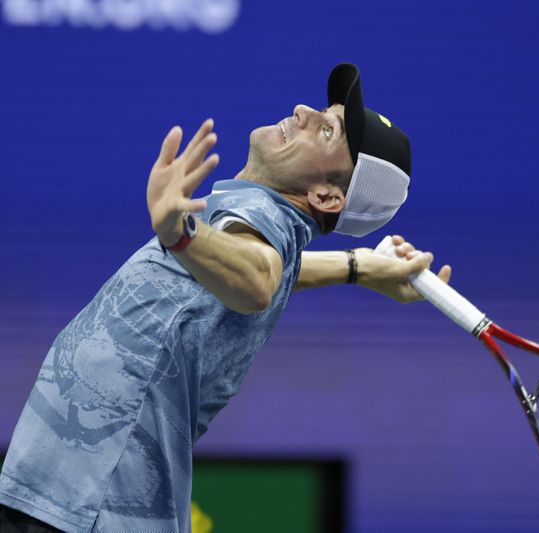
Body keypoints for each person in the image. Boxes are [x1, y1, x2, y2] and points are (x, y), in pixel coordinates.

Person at [0, 63, 451, 532]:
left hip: (86, 506)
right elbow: (264, 270)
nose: (302, 112)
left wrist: (180, 233)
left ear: (325, 195)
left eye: (326, 129)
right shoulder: (266, 229)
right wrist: (356, 266)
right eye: (319, 110)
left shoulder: (260, 217)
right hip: (71, 502)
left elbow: (257, 280)